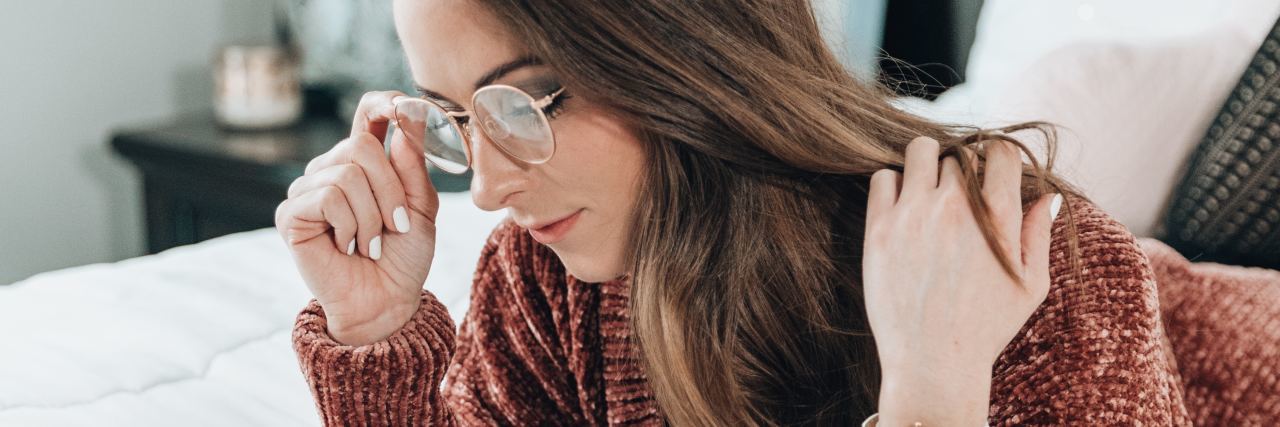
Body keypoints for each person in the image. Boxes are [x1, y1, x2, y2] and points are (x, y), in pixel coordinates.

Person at [276, 0, 1280, 425]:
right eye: (454, 119)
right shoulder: (543, 278)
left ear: (681, 53)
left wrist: (931, 392)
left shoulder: (1024, 262)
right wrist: (376, 334)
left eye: (516, 106)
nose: (486, 187)